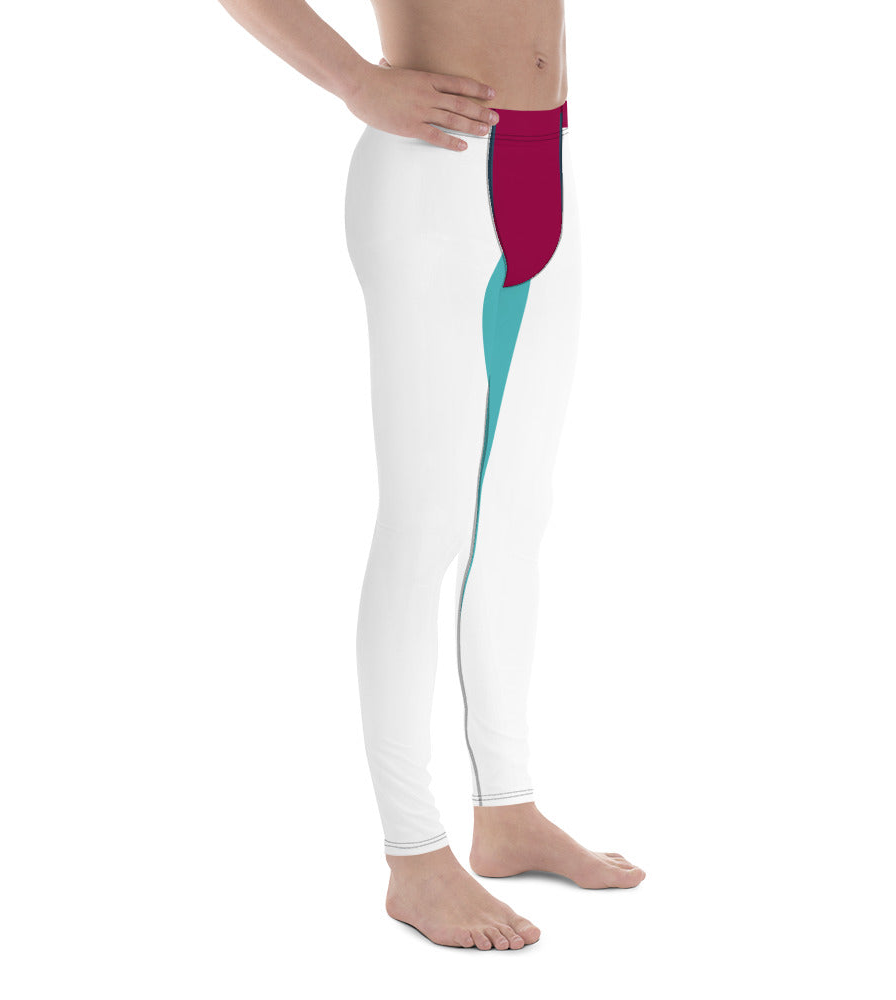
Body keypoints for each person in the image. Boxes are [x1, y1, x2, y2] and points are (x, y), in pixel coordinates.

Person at [217, 0, 646, 949]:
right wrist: (354, 82)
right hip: (437, 177)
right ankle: (414, 856)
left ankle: (508, 810)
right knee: (427, 522)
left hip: (546, 162)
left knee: (516, 516)